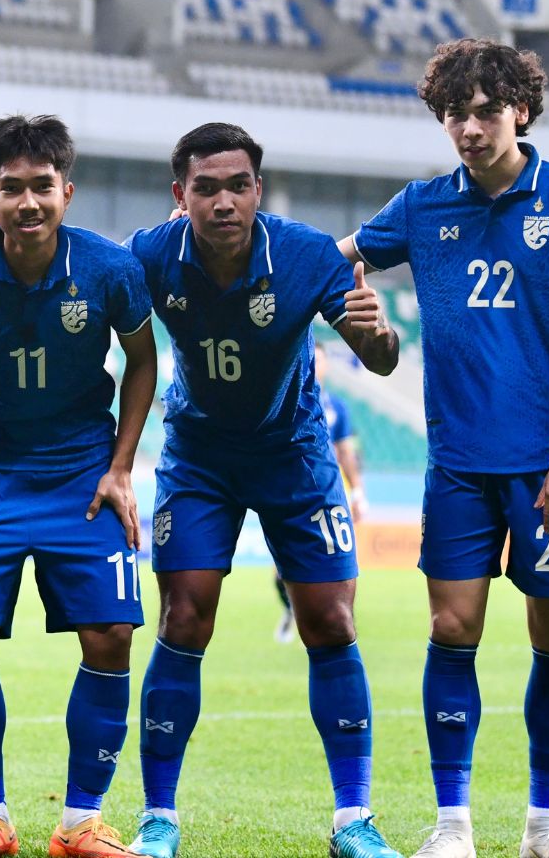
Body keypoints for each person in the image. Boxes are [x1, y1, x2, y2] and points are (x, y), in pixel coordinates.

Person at [343, 39, 549, 858]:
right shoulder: (422, 207)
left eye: (486, 111)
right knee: (451, 624)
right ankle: (452, 826)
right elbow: (333, 260)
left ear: (520, 111)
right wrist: (227, 247)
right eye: (453, 115)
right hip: (460, 460)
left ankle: (544, 826)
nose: (469, 128)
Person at [127, 123, 402, 858]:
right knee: (184, 616)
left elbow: (380, 358)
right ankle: (159, 818)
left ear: (258, 190)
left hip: (294, 456)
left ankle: (354, 819)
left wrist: (376, 336)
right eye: (206, 188)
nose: (224, 202)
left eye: (238, 186)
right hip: (199, 456)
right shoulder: (150, 255)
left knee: (332, 620)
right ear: (180, 194)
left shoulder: (306, 254)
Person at [0, 114, 158, 858]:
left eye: (42, 186)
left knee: (111, 635)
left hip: (84, 475)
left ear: (66, 192)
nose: (28, 202)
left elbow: (143, 361)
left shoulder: (110, 269)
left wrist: (120, 466)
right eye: (11, 188)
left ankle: (80, 822)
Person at [276, 345, 368, 645]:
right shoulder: (283, 398)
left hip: (328, 495)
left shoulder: (337, 407)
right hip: (288, 491)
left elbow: (346, 452)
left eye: (321, 361)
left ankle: (338, 623)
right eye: (311, 359)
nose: (316, 366)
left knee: (336, 568)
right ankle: (293, 609)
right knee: (282, 572)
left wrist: (358, 492)